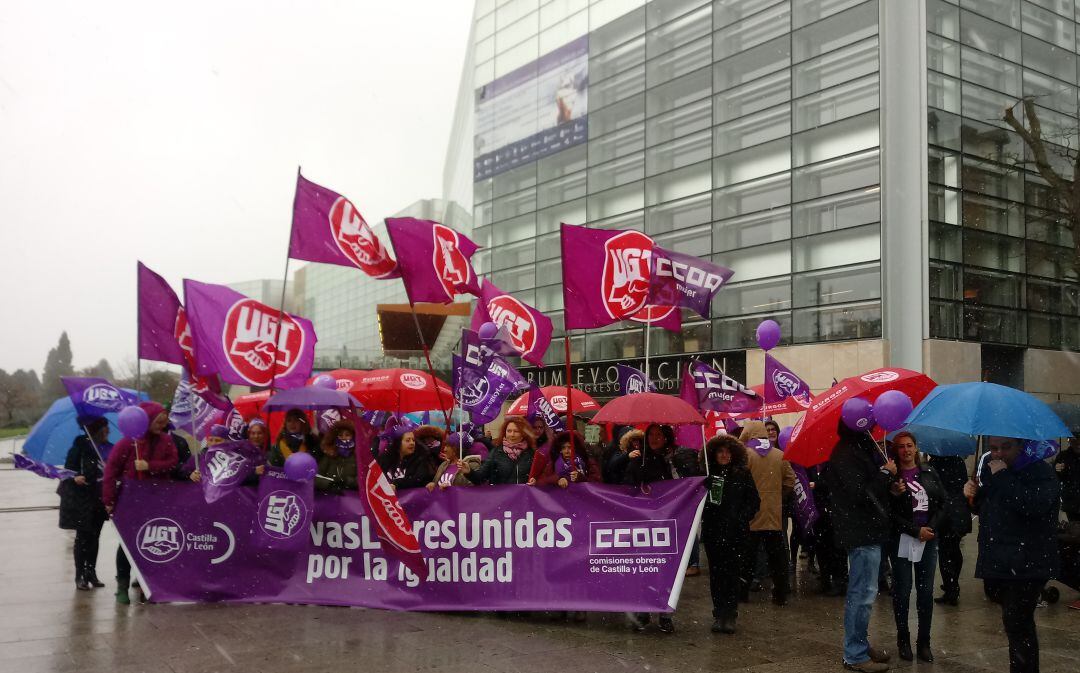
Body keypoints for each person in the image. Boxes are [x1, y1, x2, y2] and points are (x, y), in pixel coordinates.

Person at [964, 436, 1061, 673]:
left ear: (1020, 446)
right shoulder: (994, 470)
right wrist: (973, 496)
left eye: (1005, 448)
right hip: (1001, 559)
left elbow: (1032, 505)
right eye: (994, 448)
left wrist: (1002, 477)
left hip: (1027, 561)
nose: (998, 454)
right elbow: (990, 506)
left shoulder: (1040, 471)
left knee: (1019, 623)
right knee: (1013, 622)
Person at [822, 419, 902, 673]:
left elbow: (869, 490)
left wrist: (890, 486)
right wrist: (885, 474)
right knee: (862, 595)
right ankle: (854, 654)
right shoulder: (846, 454)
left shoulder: (858, 449)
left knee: (863, 594)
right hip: (860, 533)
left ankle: (859, 644)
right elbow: (860, 494)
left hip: (867, 530)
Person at [102, 401, 179, 605]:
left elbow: (173, 462)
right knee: (126, 545)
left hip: (157, 500)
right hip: (130, 501)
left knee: (152, 544)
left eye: (164, 422)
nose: (161, 426)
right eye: (158, 421)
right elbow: (110, 472)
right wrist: (109, 500)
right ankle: (122, 586)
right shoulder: (126, 443)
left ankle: (150, 585)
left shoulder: (166, 441)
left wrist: (150, 466)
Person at [887, 432, 945, 663]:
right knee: (902, 591)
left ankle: (924, 642)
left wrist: (930, 528)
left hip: (928, 540)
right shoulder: (893, 477)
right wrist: (893, 494)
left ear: (916, 447)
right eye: (901, 447)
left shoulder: (929, 472)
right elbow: (887, 513)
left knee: (926, 592)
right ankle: (903, 640)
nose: (906, 450)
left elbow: (943, 503)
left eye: (909, 446)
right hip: (902, 539)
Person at [701, 435, 760, 635]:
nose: (724, 455)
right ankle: (719, 614)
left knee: (732, 573)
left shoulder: (742, 474)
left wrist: (741, 518)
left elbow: (754, 501)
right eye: (720, 451)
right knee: (717, 575)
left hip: (736, 533)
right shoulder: (708, 476)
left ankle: (730, 614)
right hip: (713, 533)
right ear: (714, 454)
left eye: (727, 451)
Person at [624, 423, 679, 634]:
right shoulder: (638, 461)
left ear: (666, 438)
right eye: (651, 435)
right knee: (645, 567)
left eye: (659, 435)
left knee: (666, 569)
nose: (655, 438)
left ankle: (665, 613)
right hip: (645, 523)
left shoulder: (673, 460)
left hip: (668, 523)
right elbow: (627, 487)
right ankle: (643, 611)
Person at [739, 421, 795, 606]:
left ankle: (743, 592)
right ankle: (780, 593)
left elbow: (737, 482)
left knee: (747, 557)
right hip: (773, 515)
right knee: (777, 556)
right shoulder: (780, 455)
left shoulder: (745, 456)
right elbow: (790, 480)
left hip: (750, 516)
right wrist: (778, 496)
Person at [58, 417, 110, 590]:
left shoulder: (108, 448)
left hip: (100, 498)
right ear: (95, 431)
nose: (107, 432)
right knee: (83, 538)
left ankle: (91, 572)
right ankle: (79, 575)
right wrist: (75, 477)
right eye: (104, 429)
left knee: (95, 537)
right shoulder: (79, 448)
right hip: (82, 500)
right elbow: (66, 472)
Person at [927, 454, 971, 606]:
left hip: (946, 512)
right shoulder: (958, 460)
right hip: (959, 510)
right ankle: (952, 584)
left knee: (946, 551)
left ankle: (951, 587)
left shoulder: (935, 462)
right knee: (953, 548)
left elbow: (934, 488)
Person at [463, 416, 536, 485]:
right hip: (501, 497)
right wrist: (469, 472)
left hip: (523, 496)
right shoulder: (496, 452)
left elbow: (539, 476)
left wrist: (535, 481)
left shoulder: (531, 453)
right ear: (505, 432)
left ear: (523, 433)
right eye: (509, 431)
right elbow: (480, 477)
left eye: (516, 431)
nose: (512, 434)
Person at [530, 430, 599, 487]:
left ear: (576, 448)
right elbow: (542, 481)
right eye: (563, 448)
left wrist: (581, 478)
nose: (566, 451)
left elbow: (597, 483)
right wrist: (558, 479)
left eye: (570, 447)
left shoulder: (588, 462)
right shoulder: (554, 464)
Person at [377, 426, 436, 491]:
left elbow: (417, 480)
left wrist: (396, 484)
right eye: (408, 440)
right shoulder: (384, 459)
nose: (412, 443)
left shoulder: (420, 459)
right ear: (398, 443)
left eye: (413, 440)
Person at [316, 420, 358, 494]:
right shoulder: (329, 455)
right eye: (340, 435)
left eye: (347, 435)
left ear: (353, 437)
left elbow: (363, 479)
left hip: (352, 498)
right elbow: (316, 476)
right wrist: (330, 483)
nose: (344, 438)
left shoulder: (357, 457)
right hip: (330, 496)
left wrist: (347, 481)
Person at [1055, 437, 1080, 522]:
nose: (1078, 444)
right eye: (1075, 440)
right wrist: (1057, 470)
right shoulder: (1063, 456)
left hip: (1071, 501)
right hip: (1071, 503)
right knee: (1073, 529)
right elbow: (1056, 478)